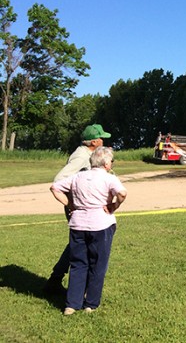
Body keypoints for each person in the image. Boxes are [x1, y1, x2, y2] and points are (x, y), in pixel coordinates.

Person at [50, 146, 127, 315]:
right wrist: (114, 205)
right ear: (106, 163)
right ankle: (90, 304)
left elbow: (55, 188)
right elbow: (122, 193)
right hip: (101, 225)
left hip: (78, 225)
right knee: (97, 265)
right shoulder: (109, 178)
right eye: (111, 161)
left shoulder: (78, 177)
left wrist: (70, 204)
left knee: (78, 264)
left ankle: (71, 305)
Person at [44, 123, 112, 294]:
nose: (103, 141)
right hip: (79, 207)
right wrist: (70, 203)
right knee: (83, 245)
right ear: (94, 142)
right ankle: (67, 283)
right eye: (101, 138)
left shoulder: (88, 155)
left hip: (82, 207)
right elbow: (60, 179)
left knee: (78, 244)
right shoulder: (81, 157)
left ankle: (56, 279)